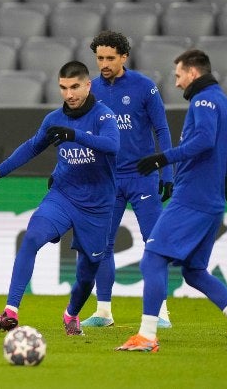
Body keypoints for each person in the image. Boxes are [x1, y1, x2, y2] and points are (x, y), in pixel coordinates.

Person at [117, 49, 227, 352]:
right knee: (194, 272)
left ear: (193, 73)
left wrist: (162, 158)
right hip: (212, 200)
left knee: (152, 258)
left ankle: (147, 335)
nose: (177, 82)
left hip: (192, 197)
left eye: (179, 75)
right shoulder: (225, 103)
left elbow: (205, 140)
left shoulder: (203, 100)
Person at [0, 60, 119, 336]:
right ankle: (10, 312)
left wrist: (74, 134)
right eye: (63, 88)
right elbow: (31, 148)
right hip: (63, 196)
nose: (69, 94)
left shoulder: (103, 116)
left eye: (75, 87)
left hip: (97, 207)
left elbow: (113, 146)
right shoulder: (54, 119)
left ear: (88, 85)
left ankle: (71, 315)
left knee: (86, 275)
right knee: (31, 237)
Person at [81, 30, 174, 328]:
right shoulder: (90, 90)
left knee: (154, 242)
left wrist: (167, 169)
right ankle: (104, 311)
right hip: (107, 179)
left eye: (110, 58)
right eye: (99, 58)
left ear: (124, 57)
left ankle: (161, 312)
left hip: (142, 176)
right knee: (102, 244)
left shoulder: (144, 87)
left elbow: (162, 129)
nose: (104, 63)